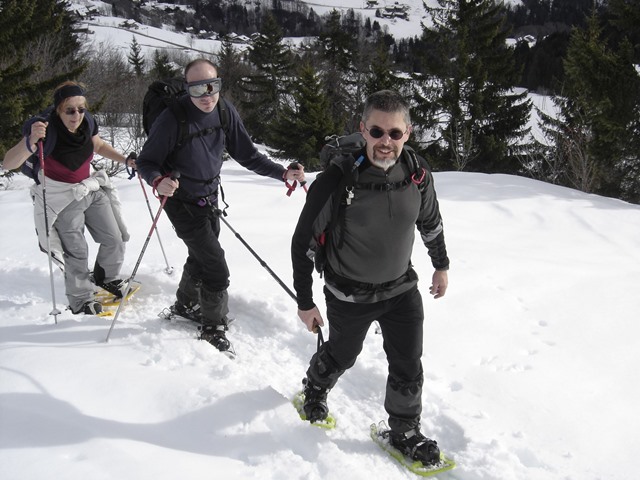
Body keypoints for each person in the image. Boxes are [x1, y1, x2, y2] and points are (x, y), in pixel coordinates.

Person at [291, 90, 450, 465]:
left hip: (401, 288)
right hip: (349, 293)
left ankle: (405, 431)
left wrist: (440, 265)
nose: (385, 142)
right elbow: (303, 243)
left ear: (407, 132)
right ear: (363, 129)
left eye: (395, 133)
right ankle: (315, 388)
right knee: (343, 355)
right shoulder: (337, 179)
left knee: (408, 363)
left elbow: (430, 222)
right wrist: (305, 302)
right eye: (377, 131)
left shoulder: (417, 172)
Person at [135, 58, 305, 354]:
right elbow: (146, 162)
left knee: (203, 253)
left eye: (213, 86)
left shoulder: (224, 110)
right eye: (198, 88)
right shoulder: (173, 118)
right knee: (216, 267)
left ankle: (185, 303)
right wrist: (157, 180)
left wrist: (281, 172)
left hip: (210, 197)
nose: (207, 95)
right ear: (188, 89)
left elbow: (248, 154)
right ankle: (212, 326)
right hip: (181, 201)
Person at [2, 81, 135, 315]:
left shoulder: (87, 124)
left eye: (81, 109)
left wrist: (126, 160)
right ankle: (80, 298)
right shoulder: (45, 131)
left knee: (114, 236)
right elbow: (8, 163)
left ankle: (107, 278)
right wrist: (30, 142)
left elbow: (99, 145)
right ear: (57, 110)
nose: (76, 115)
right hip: (61, 196)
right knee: (76, 250)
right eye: (70, 110)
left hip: (88, 188)